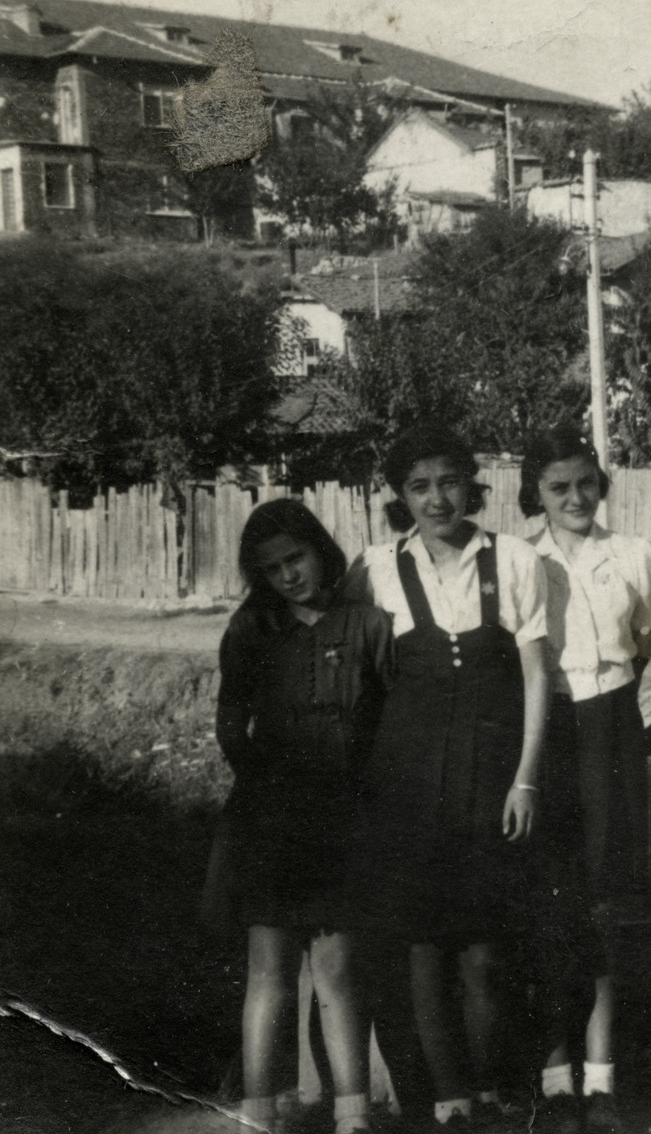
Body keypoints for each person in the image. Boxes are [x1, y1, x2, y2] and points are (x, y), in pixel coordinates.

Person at [344, 423, 550, 1129]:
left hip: (493, 783)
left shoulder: (514, 560)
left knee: (488, 950)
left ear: (471, 483)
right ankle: (450, 1100)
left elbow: (535, 675)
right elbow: (357, 684)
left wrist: (525, 779)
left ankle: (492, 1091)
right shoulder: (373, 569)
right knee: (425, 947)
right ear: (401, 495)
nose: (437, 499)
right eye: (419, 486)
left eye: (449, 481)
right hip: (408, 786)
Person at [210, 498, 389, 1134]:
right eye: (272, 567)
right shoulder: (252, 629)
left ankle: (353, 1114)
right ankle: (257, 1111)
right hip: (272, 818)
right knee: (272, 968)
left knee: (338, 969)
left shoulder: (367, 625)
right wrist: (267, 783)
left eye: (296, 557)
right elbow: (230, 722)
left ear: (321, 549)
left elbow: (387, 724)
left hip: (345, 817)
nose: (289, 574)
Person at [519, 429, 651, 1134]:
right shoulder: (519, 560)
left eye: (584, 483)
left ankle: (602, 1080)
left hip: (610, 720)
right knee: (551, 903)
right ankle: (554, 1079)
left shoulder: (631, 555)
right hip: (549, 728)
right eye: (557, 487)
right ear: (535, 493)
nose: (574, 498)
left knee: (604, 904)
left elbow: (644, 636)